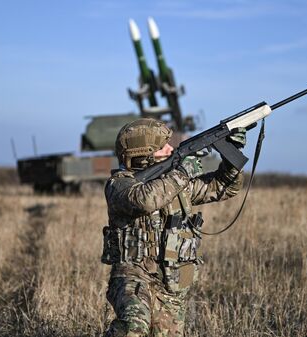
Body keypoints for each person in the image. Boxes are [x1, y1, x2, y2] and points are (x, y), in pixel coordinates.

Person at [101, 118, 246, 337]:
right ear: (144, 152)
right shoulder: (119, 184)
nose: (171, 148)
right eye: (163, 146)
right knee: (133, 328)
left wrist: (231, 154)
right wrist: (183, 172)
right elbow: (144, 200)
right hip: (133, 275)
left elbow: (222, 187)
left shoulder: (175, 183)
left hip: (171, 281)